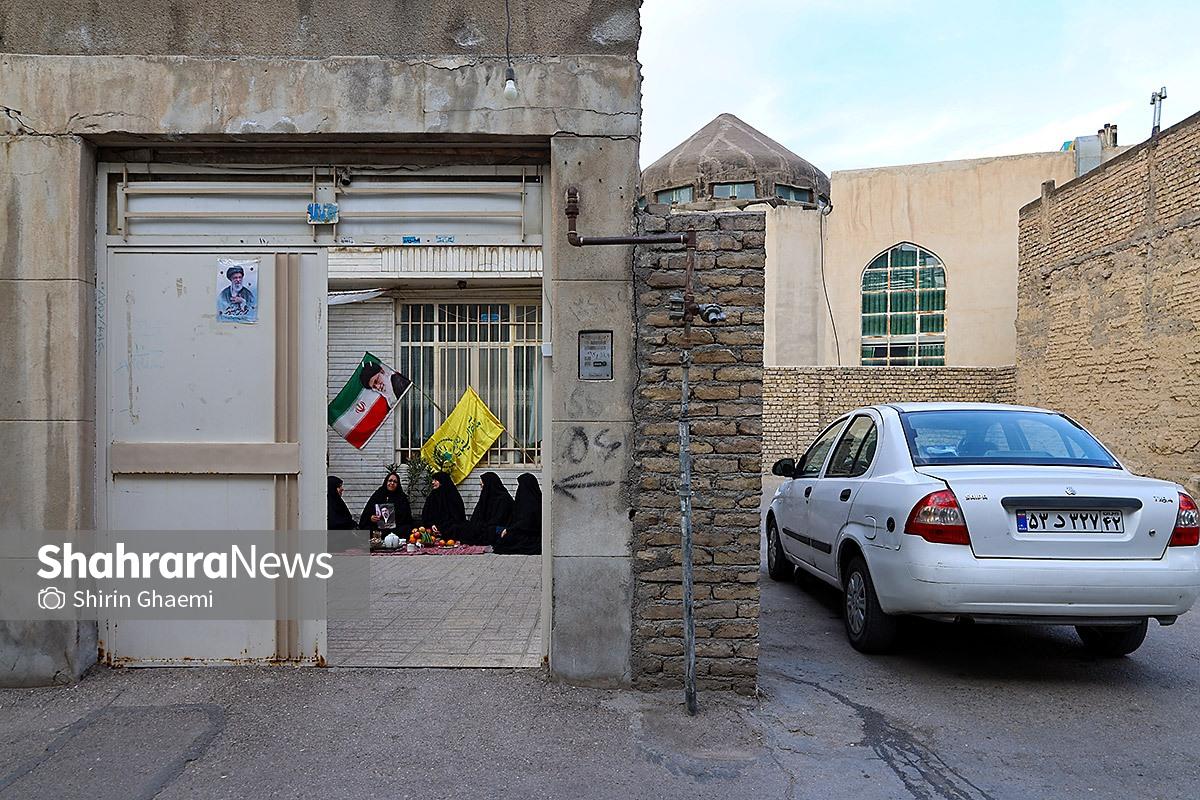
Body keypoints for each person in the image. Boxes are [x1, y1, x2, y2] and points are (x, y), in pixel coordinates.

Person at [452, 472, 514, 545]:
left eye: (483, 485)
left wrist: (481, 526)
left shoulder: (504, 499)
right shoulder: (486, 497)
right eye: (481, 485)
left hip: (498, 528)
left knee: (490, 531)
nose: (482, 488)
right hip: (486, 526)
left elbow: (499, 520)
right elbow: (477, 516)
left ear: (489, 485)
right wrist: (477, 525)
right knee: (464, 528)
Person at [493, 472, 541, 555]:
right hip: (526, 533)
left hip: (530, 535)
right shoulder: (536, 499)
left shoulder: (529, 503)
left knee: (506, 541)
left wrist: (509, 530)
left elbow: (526, 523)